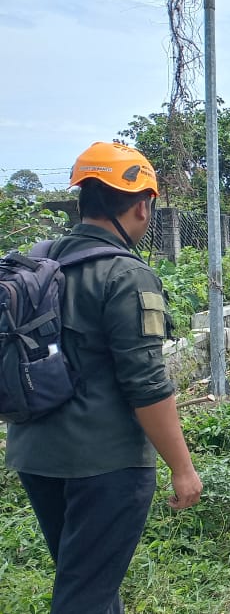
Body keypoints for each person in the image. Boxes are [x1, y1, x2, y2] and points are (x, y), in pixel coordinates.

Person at [5, 142, 202, 613]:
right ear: (141, 205)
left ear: (82, 201)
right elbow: (147, 384)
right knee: (86, 595)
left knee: (88, 581)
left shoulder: (37, 261)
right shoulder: (125, 274)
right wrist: (182, 467)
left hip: (36, 456)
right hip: (105, 466)